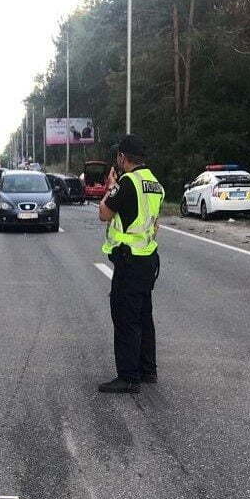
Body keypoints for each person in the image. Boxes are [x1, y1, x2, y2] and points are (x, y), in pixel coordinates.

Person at [98, 134, 164, 394]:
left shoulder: (126, 183)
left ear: (122, 158)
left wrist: (110, 187)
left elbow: (104, 213)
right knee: (144, 316)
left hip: (129, 260)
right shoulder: (154, 183)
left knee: (125, 318)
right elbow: (154, 222)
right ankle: (148, 370)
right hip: (148, 258)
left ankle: (128, 377)